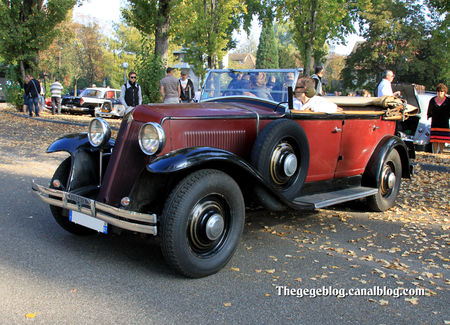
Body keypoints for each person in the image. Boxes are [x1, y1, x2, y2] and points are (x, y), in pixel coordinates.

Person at [427, 83, 449, 154]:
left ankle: (441, 153)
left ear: (444, 92)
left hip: (444, 122)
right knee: (435, 139)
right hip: (435, 122)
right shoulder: (433, 100)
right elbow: (429, 110)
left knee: (442, 139)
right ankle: (435, 153)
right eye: (438, 91)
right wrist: (429, 115)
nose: (440, 93)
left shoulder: (448, 101)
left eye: (441, 92)